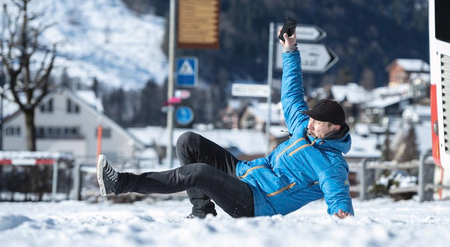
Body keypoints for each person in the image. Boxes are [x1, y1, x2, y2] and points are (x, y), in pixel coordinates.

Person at [96, 30, 354, 219]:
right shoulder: (302, 128)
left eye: (318, 122)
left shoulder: (331, 164)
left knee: (199, 172)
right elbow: (291, 95)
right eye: (311, 118)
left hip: (255, 203)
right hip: (244, 172)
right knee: (189, 142)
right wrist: (290, 50)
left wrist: (343, 216)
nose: (310, 124)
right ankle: (202, 211)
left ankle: (120, 183)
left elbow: (337, 193)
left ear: (336, 128)